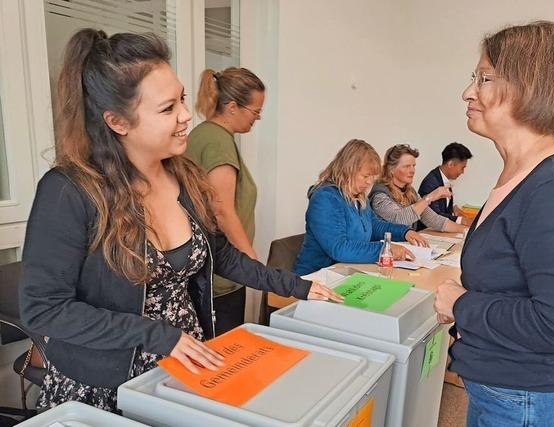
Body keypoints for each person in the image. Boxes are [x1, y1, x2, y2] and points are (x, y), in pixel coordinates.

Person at [19, 29, 341, 412]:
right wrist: (155, 334)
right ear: (117, 122)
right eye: (167, 108)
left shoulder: (183, 174)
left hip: (180, 368)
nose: (187, 115)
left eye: (182, 99)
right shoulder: (69, 191)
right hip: (104, 384)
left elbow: (220, 256)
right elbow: (45, 309)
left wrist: (297, 286)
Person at [433, 21, 554, 426]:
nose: (468, 92)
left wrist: (462, 304)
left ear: (528, 86)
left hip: (530, 401)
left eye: (484, 78)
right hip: (507, 394)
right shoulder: (522, 175)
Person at [186, 68, 264, 335]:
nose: (257, 117)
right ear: (232, 107)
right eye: (255, 111)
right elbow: (221, 209)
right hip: (220, 277)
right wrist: (250, 261)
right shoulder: (218, 142)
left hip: (207, 271)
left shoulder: (202, 134)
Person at [293, 139, 427, 275]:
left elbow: (374, 226)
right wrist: (384, 249)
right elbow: (340, 248)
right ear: (347, 170)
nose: (369, 182)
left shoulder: (358, 195)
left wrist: (404, 232)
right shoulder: (324, 198)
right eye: (365, 176)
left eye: (372, 177)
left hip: (348, 272)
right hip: (315, 278)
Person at [369, 144, 467, 233]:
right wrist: (429, 198)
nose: (412, 170)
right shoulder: (379, 195)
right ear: (392, 169)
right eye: (407, 166)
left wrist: (467, 231)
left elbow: (434, 220)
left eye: (413, 166)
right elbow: (399, 220)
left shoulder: (410, 192)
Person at [418, 142, 473, 224]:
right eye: (462, 168)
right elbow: (435, 216)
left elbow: (446, 208)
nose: (463, 172)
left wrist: (455, 208)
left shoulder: (444, 179)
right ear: (450, 164)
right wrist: (461, 220)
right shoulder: (430, 182)